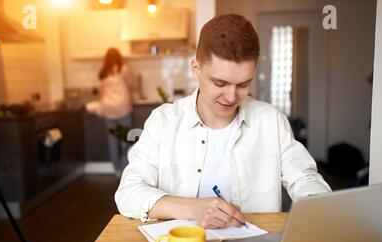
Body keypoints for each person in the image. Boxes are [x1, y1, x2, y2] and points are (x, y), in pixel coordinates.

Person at [115, 15, 331, 228]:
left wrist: (319, 206)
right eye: (220, 83)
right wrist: (193, 208)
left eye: (243, 85)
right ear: (196, 69)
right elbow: (129, 193)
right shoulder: (163, 122)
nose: (231, 97)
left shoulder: (271, 121)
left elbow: (305, 179)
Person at [87, 48, 136, 178]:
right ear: (119, 57)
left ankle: (117, 170)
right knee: (126, 140)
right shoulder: (123, 69)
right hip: (122, 108)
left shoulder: (104, 73)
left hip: (108, 108)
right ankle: (126, 169)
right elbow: (133, 84)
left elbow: (102, 91)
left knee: (113, 140)